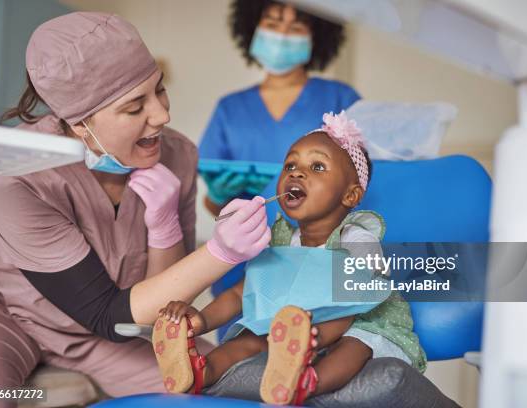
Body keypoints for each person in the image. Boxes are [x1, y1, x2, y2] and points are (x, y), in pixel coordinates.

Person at [0, 12, 270, 406]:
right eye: (134, 107)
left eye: (159, 90)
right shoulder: (13, 178)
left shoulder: (177, 155)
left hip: (103, 335)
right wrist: (222, 253)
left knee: (228, 387)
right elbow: (108, 314)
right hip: (1, 317)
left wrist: (164, 229)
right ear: (79, 123)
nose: (162, 115)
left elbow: (153, 310)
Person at [153, 112, 426, 405]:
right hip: (295, 333)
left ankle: (307, 382)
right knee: (248, 338)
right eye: (290, 165)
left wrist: (311, 338)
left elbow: (351, 303)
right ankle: (199, 373)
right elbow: (240, 292)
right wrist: (200, 321)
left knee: (356, 346)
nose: (296, 173)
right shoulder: (281, 240)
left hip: (359, 322)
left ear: (350, 195)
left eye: (317, 166)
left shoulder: (358, 239)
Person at [199, 0, 361, 215]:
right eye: (272, 25)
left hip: (321, 243)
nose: (282, 35)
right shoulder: (229, 108)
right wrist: (217, 195)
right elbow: (215, 207)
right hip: (250, 244)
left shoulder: (342, 99)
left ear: (317, 38)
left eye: (295, 28)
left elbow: (365, 184)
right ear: (253, 29)